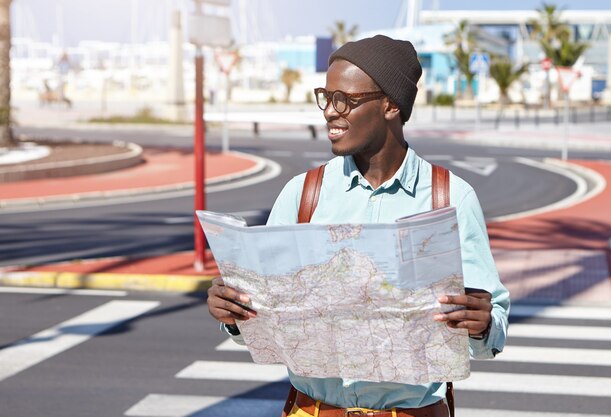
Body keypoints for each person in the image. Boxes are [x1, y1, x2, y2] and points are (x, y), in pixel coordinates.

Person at [208, 34, 510, 417]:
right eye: (326, 97)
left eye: (345, 100)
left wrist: (482, 325)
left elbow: (492, 325)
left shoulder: (451, 198)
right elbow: (264, 321)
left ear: (390, 105)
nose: (330, 112)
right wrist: (234, 314)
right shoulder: (302, 194)